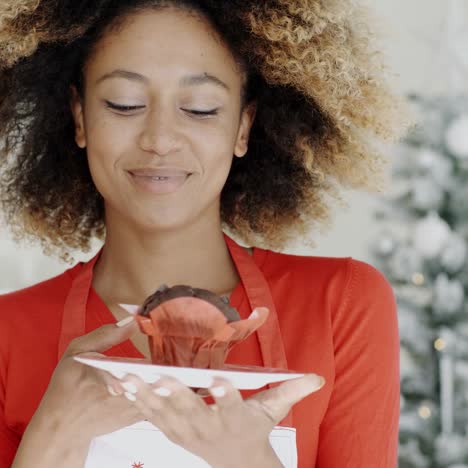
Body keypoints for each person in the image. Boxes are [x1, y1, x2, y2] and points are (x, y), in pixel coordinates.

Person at [0, 1, 407, 467]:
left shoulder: (341, 304)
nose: (160, 138)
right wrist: (50, 439)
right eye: (124, 104)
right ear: (80, 118)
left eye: (200, 108)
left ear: (243, 126)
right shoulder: (6, 333)